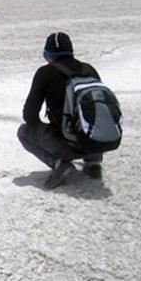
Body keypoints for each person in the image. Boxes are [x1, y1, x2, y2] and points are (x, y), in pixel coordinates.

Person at [18, 31, 105, 188]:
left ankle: (59, 164)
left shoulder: (45, 73)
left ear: (48, 55)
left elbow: (29, 116)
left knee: (24, 132)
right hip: (98, 142)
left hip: (68, 145)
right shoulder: (89, 70)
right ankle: (93, 162)